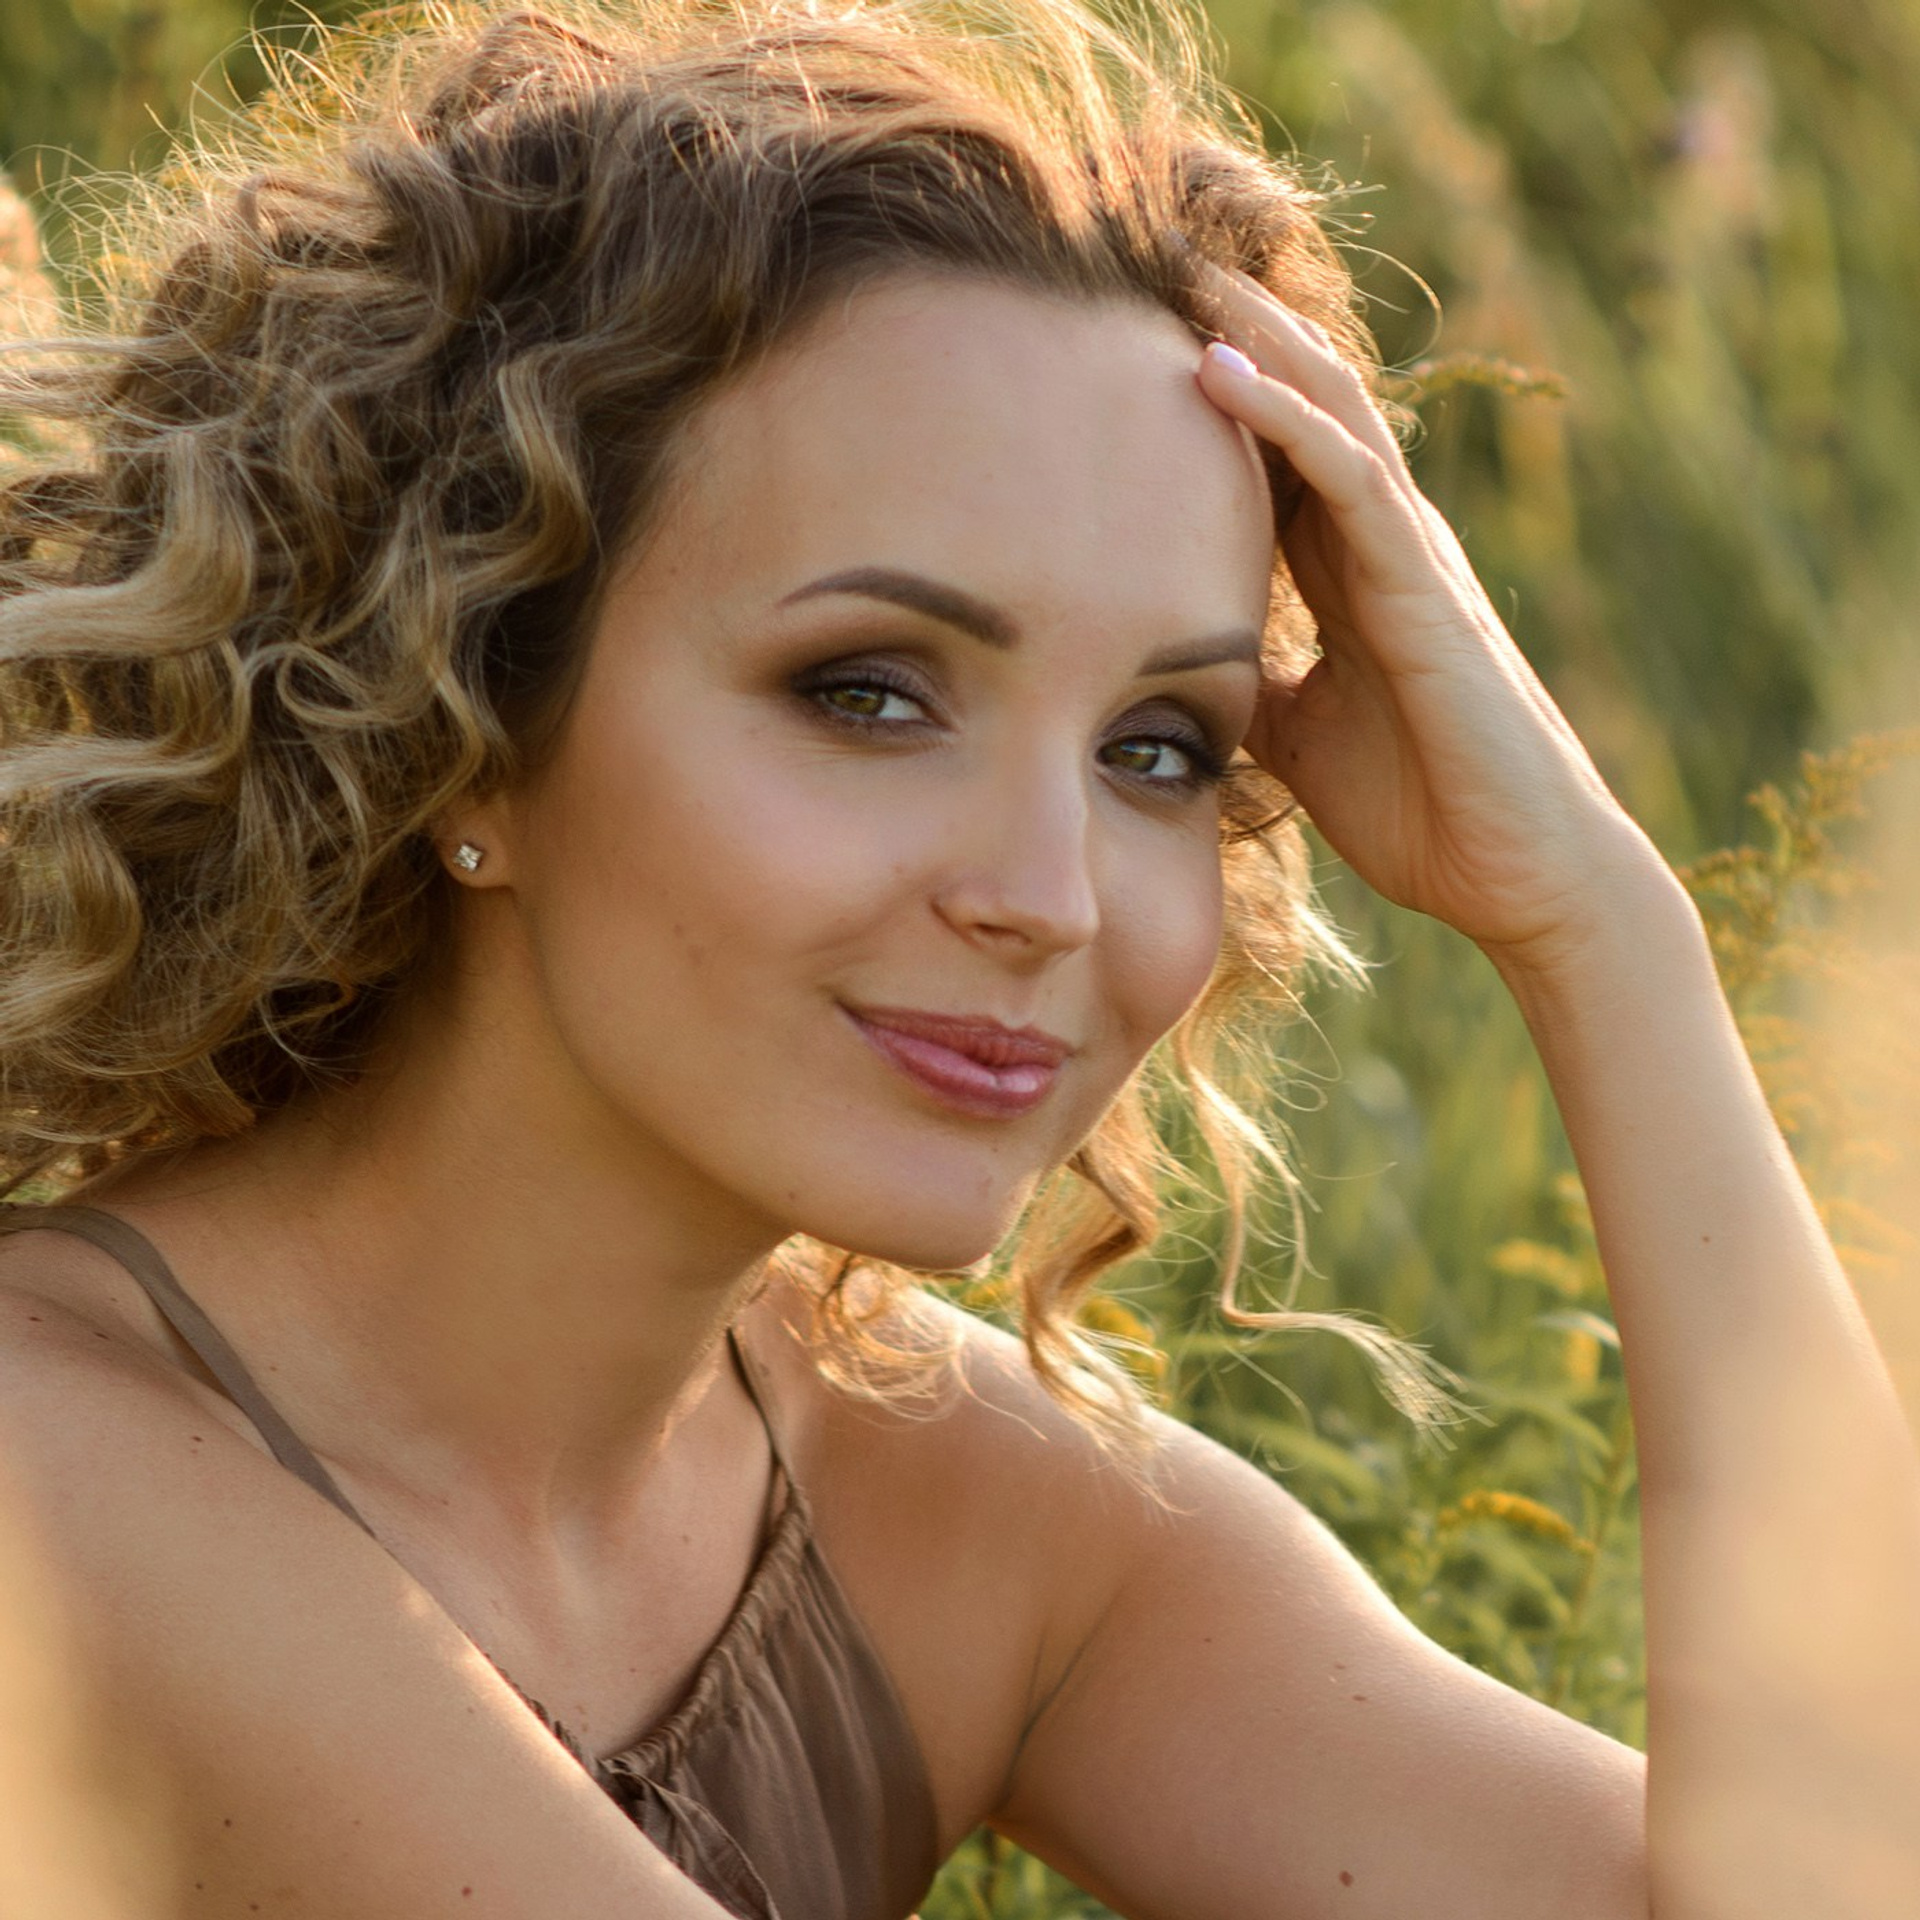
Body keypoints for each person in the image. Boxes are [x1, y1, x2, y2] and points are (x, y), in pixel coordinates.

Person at [0, 1, 1914, 1915]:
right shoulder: (55, 1476)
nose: (1051, 893)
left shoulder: (951, 1502)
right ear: (463, 710)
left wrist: (1605, 928)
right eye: (870, 693)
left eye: (1158, 746)